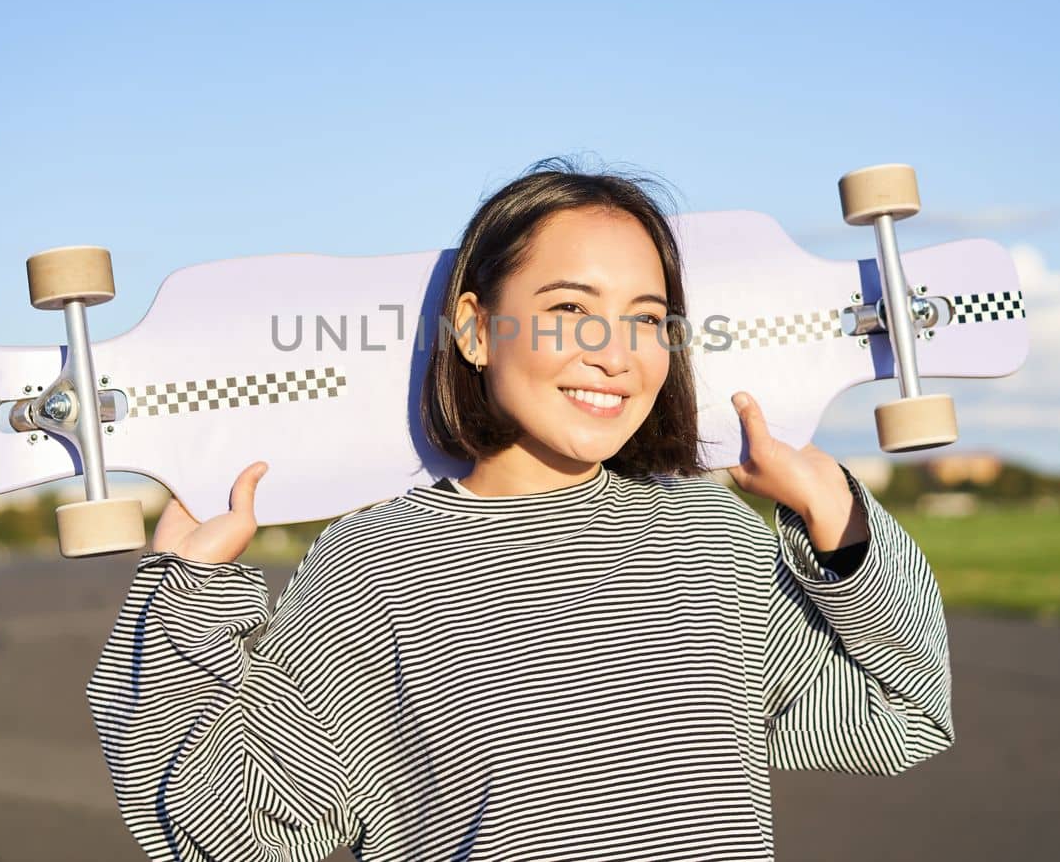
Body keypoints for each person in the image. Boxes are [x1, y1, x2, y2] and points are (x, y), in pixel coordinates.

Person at [86, 158, 955, 861]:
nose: (616, 354)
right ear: (472, 329)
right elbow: (232, 833)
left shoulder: (707, 537)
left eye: (648, 318)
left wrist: (836, 518)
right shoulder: (374, 566)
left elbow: (902, 711)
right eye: (569, 310)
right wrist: (186, 599)